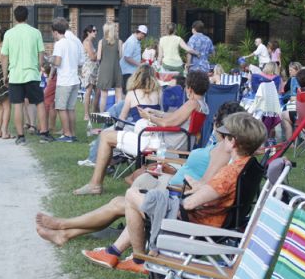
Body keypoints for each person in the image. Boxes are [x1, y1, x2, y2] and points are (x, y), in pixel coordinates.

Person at [36, 101, 244, 247]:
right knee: (126, 196)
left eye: (217, 122)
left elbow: (202, 189)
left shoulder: (223, 153)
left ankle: (64, 226)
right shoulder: (223, 150)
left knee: (122, 202)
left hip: (177, 198)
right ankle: (65, 233)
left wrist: (176, 177)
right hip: (174, 185)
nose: (215, 126)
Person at [83, 111, 267, 273]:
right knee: (140, 196)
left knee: (133, 195)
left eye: (226, 136)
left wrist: (184, 193)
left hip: (193, 221)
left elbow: (189, 204)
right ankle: (125, 255)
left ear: (233, 141)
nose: (223, 138)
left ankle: (139, 260)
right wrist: (198, 186)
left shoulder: (229, 173)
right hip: (210, 218)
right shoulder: (245, 166)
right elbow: (216, 191)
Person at [73, 70, 209, 195]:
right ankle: (107, 173)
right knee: (114, 136)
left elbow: (167, 123)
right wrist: (155, 112)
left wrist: (148, 117)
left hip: (160, 144)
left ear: (189, 88)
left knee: (106, 136)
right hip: (168, 142)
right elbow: (174, 118)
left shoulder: (191, 103)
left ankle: (95, 184)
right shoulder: (202, 105)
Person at [1, 6, 54, 145]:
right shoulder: (35, 32)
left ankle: (20, 136)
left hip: (15, 75)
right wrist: (39, 66)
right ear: (27, 17)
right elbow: (41, 53)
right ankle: (44, 133)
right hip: (31, 73)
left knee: (17, 105)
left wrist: (4, 74)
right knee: (39, 103)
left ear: (15, 17)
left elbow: (4, 56)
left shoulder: (9, 34)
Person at [51, 18, 82, 142]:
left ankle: (67, 134)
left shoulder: (59, 44)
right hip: (74, 79)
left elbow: (57, 62)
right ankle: (72, 133)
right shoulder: (73, 43)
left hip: (64, 80)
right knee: (70, 108)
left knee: (61, 108)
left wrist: (49, 60)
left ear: (55, 31)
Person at [96, 21, 123, 103]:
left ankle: (102, 114)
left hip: (104, 69)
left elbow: (98, 57)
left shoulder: (101, 42)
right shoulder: (119, 42)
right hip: (116, 68)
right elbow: (121, 56)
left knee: (104, 96)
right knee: (118, 95)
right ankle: (117, 114)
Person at [81, 25, 100, 121]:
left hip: (95, 69)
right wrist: (100, 50)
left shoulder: (91, 42)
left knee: (98, 91)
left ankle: (95, 112)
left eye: (96, 30)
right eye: (93, 30)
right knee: (88, 91)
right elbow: (92, 57)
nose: (95, 32)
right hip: (88, 69)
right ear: (88, 32)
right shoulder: (87, 42)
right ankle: (86, 114)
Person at [120, 24, 147, 90]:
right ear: (140, 33)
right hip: (127, 72)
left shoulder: (136, 41)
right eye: (144, 35)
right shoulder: (132, 41)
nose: (144, 37)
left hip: (131, 71)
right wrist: (139, 64)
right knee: (128, 92)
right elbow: (127, 57)